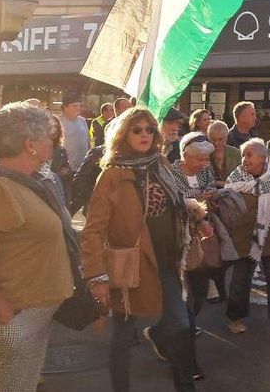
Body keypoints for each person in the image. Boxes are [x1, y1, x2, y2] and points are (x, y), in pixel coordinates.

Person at [0, 102, 76, 392]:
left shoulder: (28, 182)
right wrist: (7, 322)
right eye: (50, 137)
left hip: (32, 315)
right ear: (30, 144)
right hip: (12, 321)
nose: (54, 143)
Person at [81, 106, 202, 391]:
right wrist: (95, 274)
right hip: (130, 266)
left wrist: (194, 215)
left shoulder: (159, 164)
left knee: (182, 327)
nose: (145, 135)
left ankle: (185, 386)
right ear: (124, 134)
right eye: (137, 130)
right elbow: (94, 229)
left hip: (168, 260)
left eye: (149, 129)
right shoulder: (111, 174)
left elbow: (175, 202)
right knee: (123, 335)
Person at [223, 138, 270, 335]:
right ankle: (235, 318)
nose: (244, 159)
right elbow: (226, 204)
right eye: (243, 155)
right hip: (243, 240)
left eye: (249, 155)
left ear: (263, 158)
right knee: (240, 281)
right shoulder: (234, 179)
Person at [171, 132, 221, 321]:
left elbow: (210, 189)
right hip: (179, 234)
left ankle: (188, 322)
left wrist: (198, 196)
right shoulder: (171, 172)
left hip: (203, 230)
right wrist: (199, 197)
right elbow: (177, 198)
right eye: (200, 159)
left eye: (206, 158)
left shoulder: (205, 170)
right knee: (181, 284)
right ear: (186, 156)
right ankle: (183, 325)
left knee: (199, 283)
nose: (204, 163)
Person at [59, 97, 91, 171]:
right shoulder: (59, 121)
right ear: (65, 107)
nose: (78, 108)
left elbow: (88, 141)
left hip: (83, 165)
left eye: (79, 105)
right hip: (67, 167)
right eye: (74, 106)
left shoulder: (82, 120)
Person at [206, 120, 239, 184]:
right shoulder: (203, 154)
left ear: (226, 137)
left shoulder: (236, 154)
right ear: (209, 138)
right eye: (213, 139)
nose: (216, 143)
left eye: (220, 139)